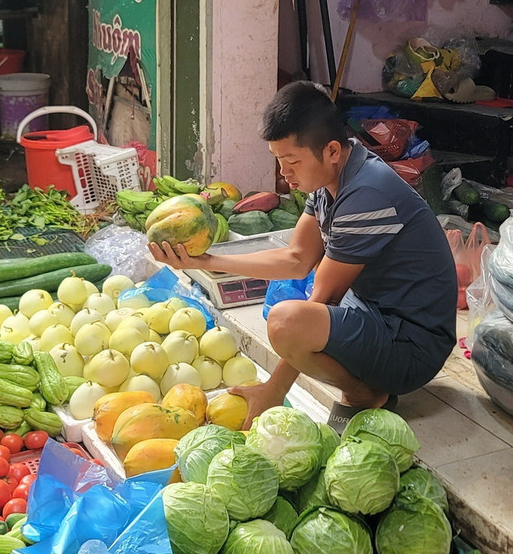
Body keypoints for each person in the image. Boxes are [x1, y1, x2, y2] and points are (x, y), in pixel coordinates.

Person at [150, 81, 458, 432]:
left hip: (412, 347)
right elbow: (296, 258)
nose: (284, 174)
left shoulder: (366, 194)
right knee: (295, 305)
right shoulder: (335, 176)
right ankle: (367, 384)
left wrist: (273, 390)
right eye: (279, 161)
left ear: (330, 151)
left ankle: (365, 394)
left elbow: (325, 298)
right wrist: (204, 261)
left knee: (287, 322)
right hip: (378, 316)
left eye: (292, 161)